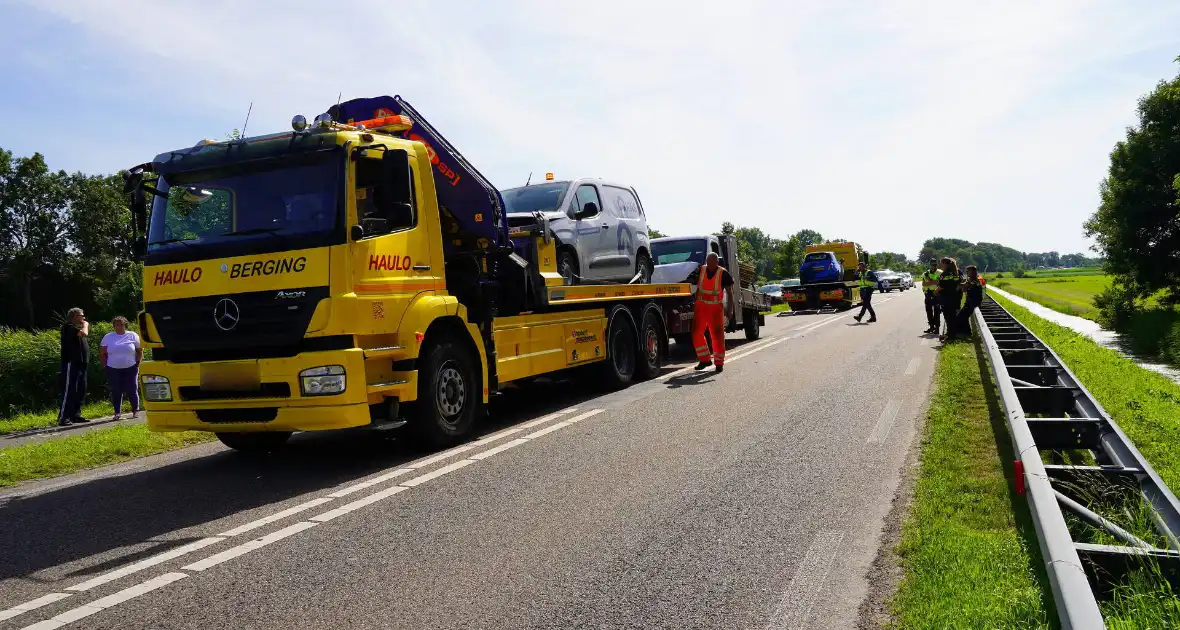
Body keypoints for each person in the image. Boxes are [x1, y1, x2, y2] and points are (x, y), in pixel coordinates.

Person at [688, 251, 735, 373]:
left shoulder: (723, 274)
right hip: (701, 307)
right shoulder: (701, 270)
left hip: (715, 309)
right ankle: (704, 359)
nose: (709, 265)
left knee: (717, 336)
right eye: (707, 263)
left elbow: (730, 293)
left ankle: (719, 363)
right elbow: (690, 280)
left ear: (717, 262)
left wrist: (730, 309)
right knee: (696, 333)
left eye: (711, 263)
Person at [100, 316, 143, 420]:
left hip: (130, 367)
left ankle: (135, 410)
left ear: (125, 325)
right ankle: (117, 412)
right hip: (113, 368)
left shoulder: (133, 335)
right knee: (116, 390)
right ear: (114, 326)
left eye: (121, 325)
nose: (118, 327)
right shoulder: (108, 337)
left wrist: (137, 363)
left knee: (132, 389)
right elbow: (102, 352)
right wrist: (105, 366)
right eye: (116, 325)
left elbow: (140, 350)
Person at [58, 307, 90, 426]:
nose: (84, 318)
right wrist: (86, 324)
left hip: (82, 363)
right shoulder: (69, 327)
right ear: (75, 316)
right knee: (70, 389)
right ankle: (64, 416)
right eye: (82, 316)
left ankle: (75, 414)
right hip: (72, 362)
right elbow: (84, 333)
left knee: (81, 389)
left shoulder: (77, 328)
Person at [953, 265, 985, 337]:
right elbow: (965, 289)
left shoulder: (977, 279)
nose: (967, 272)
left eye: (968, 271)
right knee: (961, 316)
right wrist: (962, 285)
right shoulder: (970, 278)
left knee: (962, 316)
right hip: (969, 301)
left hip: (974, 302)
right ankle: (966, 332)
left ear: (973, 271)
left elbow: (965, 286)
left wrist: (958, 284)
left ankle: (966, 333)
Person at [936, 257, 963, 341]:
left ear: (945, 264)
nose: (940, 265)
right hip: (956, 299)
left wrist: (935, 292)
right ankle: (951, 334)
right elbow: (961, 284)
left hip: (946, 300)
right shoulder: (957, 273)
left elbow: (941, 286)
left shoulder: (945, 274)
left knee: (948, 318)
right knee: (953, 317)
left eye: (941, 263)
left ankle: (951, 337)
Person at [921, 259, 942, 334]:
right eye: (932, 265)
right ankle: (931, 326)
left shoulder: (940, 272)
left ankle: (937, 328)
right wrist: (933, 282)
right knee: (929, 311)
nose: (934, 266)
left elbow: (939, 283)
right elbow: (924, 284)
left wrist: (929, 282)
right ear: (930, 265)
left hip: (936, 293)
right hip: (928, 293)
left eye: (935, 265)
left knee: (937, 311)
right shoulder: (925, 273)